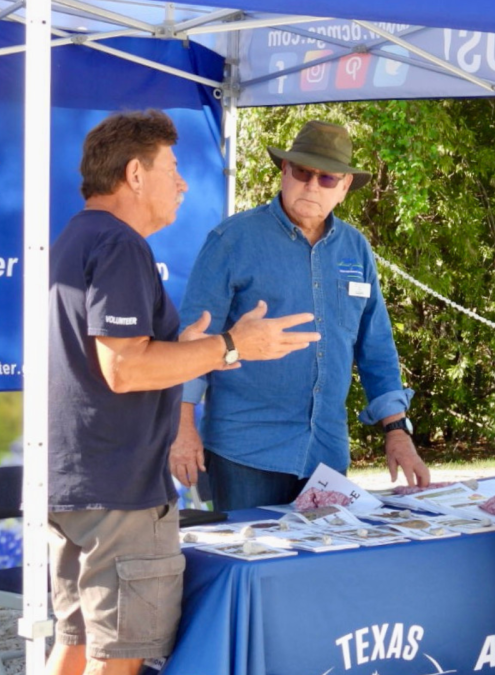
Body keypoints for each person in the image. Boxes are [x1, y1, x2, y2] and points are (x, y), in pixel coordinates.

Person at [48, 110, 320, 675]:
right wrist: (230, 346)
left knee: (74, 647)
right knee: (116, 658)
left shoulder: (80, 234)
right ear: (135, 174)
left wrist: (185, 346)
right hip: (119, 491)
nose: (183, 182)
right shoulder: (120, 244)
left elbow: (122, 356)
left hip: (79, 481)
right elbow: (123, 368)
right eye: (172, 167)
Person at [170, 119, 429, 510]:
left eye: (327, 179)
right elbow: (192, 339)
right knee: (252, 565)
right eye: (303, 172)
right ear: (284, 172)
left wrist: (397, 431)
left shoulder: (356, 249)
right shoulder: (232, 241)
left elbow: (376, 348)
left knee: (318, 569)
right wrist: (182, 426)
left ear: (343, 188)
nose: (312, 185)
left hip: (325, 453)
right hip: (244, 452)